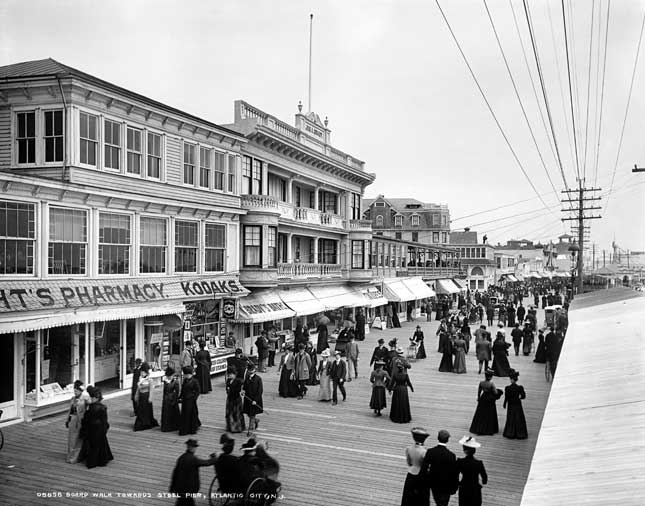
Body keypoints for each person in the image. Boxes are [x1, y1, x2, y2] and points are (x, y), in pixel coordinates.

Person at [169, 439, 216, 506]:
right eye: (195, 447)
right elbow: (207, 462)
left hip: (179, 488)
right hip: (189, 490)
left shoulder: (181, 458)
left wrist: (172, 487)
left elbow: (175, 473)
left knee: (181, 502)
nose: (195, 449)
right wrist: (215, 458)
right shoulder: (193, 459)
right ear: (192, 448)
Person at [420, 429, 458, 506]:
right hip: (446, 484)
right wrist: (454, 487)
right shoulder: (451, 455)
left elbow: (424, 468)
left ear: (438, 438)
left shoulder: (431, 451)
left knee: (437, 500)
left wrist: (424, 482)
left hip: (434, 483)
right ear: (447, 440)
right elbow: (454, 473)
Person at [79, 386, 113, 469]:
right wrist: (105, 429)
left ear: (95, 398)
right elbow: (104, 421)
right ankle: (101, 460)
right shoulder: (101, 407)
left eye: (92, 397)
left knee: (93, 445)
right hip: (99, 428)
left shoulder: (90, 407)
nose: (91, 398)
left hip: (92, 428)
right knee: (99, 444)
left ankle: (93, 461)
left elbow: (86, 419)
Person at [400, 427, 430, 506]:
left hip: (411, 473)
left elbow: (409, 463)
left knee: (408, 497)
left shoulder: (408, 448)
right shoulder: (425, 452)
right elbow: (425, 466)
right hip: (420, 476)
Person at [456, 436, 488, 506]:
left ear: (464, 450)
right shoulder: (479, 463)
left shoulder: (460, 462)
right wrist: (484, 482)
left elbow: (455, 474)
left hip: (464, 487)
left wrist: (458, 483)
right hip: (475, 488)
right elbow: (484, 477)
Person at [469, 369, 501, 436]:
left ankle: (479, 428)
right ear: (491, 377)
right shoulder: (491, 384)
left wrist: (478, 397)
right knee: (490, 414)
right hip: (490, 399)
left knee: (481, 413)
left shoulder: (481, 383)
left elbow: (479, 391)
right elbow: (495, 392)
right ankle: (489, 429)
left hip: (483, 398)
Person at [66, 380, 89, 464]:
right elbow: (70, 411)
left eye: (76, 391)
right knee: (71, 439)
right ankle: (70, 457)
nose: (75, 392)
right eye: (74, 391)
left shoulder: (85, 399)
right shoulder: (72, 399)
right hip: (73, 419)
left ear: (81, 390)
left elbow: (88, 409)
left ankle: (76, 457)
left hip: (81, 420)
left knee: (79, 440)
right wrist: (67, 420)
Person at [503, 369, 528, 439]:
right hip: (517, 405)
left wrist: (504, 403)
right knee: (518, 418)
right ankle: (520, 433)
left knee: (510, 418)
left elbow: (506, 397)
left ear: (512, 380)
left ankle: (510, 432)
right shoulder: (520, 388)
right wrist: (520, 396)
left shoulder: (507, 388)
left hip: (511, 405)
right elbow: (523, 396)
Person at [134, 363, 159, 431]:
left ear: (146, 372)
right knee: (141, 410)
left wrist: (150, 397)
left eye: (143, 372)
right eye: (141, 372)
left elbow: (151, 389)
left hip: (146, 396)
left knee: (147, 410)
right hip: (141, 396)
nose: (142, 374)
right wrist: (136, 395)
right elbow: (138, 389)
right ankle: (141, 422)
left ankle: (147, 423)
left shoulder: (149, 379)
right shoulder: (140, 379)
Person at [178, 366, 201, 436]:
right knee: (185, 414)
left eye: (188, 375)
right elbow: (183, 389)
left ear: (191, 374)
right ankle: (185, 428)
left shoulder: (195, 381)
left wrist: (194, 398)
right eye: (186, 375)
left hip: (191, 400)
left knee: (192, 414)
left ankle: (192, 428)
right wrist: (180, 397)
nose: (187, 376)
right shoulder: (185, 381)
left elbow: (198, 390)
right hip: (185, 400)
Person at [243, 363, 263, 436]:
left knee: (252, 415)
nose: (250, 372)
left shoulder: (258, 379)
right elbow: (244, 387)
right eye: (249, 370)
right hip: (247, 399)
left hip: (255, 400)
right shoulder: (247, 378)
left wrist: (255, 400)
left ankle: (250, 430)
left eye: (252, 370)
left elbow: (260, 391)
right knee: (248, 414)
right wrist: (243, 391)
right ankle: (256, 420)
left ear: (254, 370)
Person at [225, 368, 245, 433]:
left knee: (236, 413)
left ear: (234, 375)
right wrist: (228, 390)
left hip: (236, 399)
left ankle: (237, 427)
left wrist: (241, 391)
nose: (229, 376)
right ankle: (230, 426)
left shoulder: (238, 381)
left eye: (231, 374)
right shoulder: (228, 380)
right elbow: (227, 388)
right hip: (230, 399)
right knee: (229, 413)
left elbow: (239, 389)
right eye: (229, 374)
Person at [161, 366, 181, 432]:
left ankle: (174, 426)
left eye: (170, 376)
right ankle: (166, 426)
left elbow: (177, 392)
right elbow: (164, 390)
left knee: (173, 412)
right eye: (168, 376)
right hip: (166, 399)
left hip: (172, 398)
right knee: (166, 413)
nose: (169, 377)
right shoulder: (165, 381)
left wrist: (175, 399)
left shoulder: (175, 382)